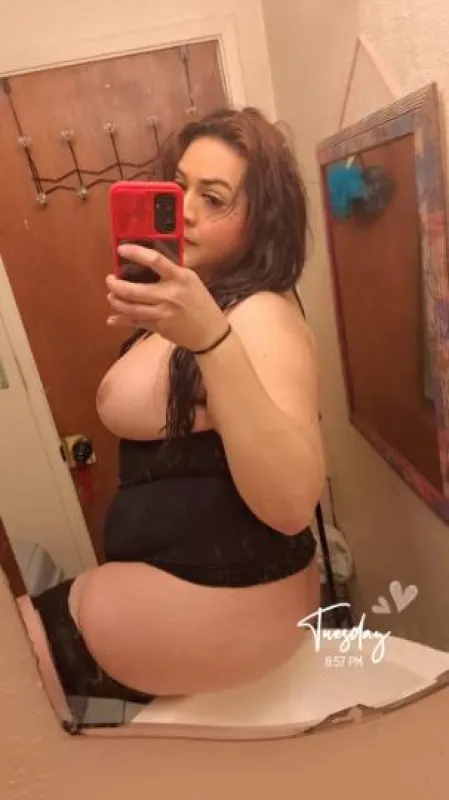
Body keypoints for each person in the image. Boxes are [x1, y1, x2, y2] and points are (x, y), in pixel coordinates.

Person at [20, 107, 325, 713]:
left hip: (226, 610)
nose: (184, 209)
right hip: (188, 599)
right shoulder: (201, 295)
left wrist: (211, 339)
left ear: (263, 219)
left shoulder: (261, 314)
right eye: (179, 185)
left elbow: (292, 503)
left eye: (213, 198)